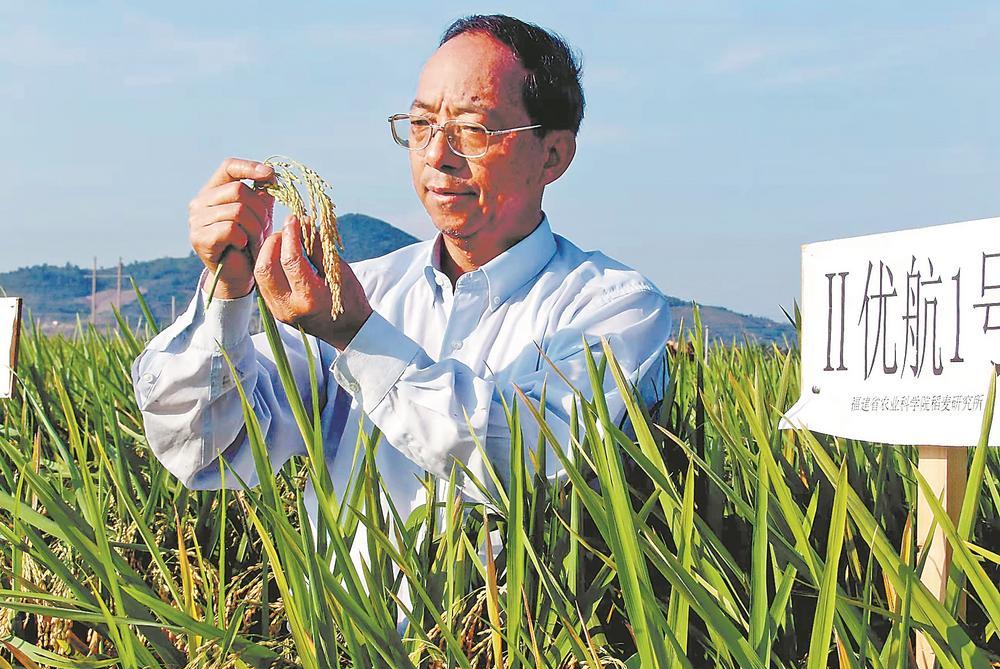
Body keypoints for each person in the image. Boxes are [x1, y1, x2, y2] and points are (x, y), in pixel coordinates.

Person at [132, 14, 672, 627]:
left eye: (473, 129)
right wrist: (229, 295)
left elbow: (531, 459)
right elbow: (206, 449)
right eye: (420, 126)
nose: (437, 157)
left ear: (552, 154)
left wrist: (359, 339)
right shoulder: (367, 289)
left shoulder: (613, 308)